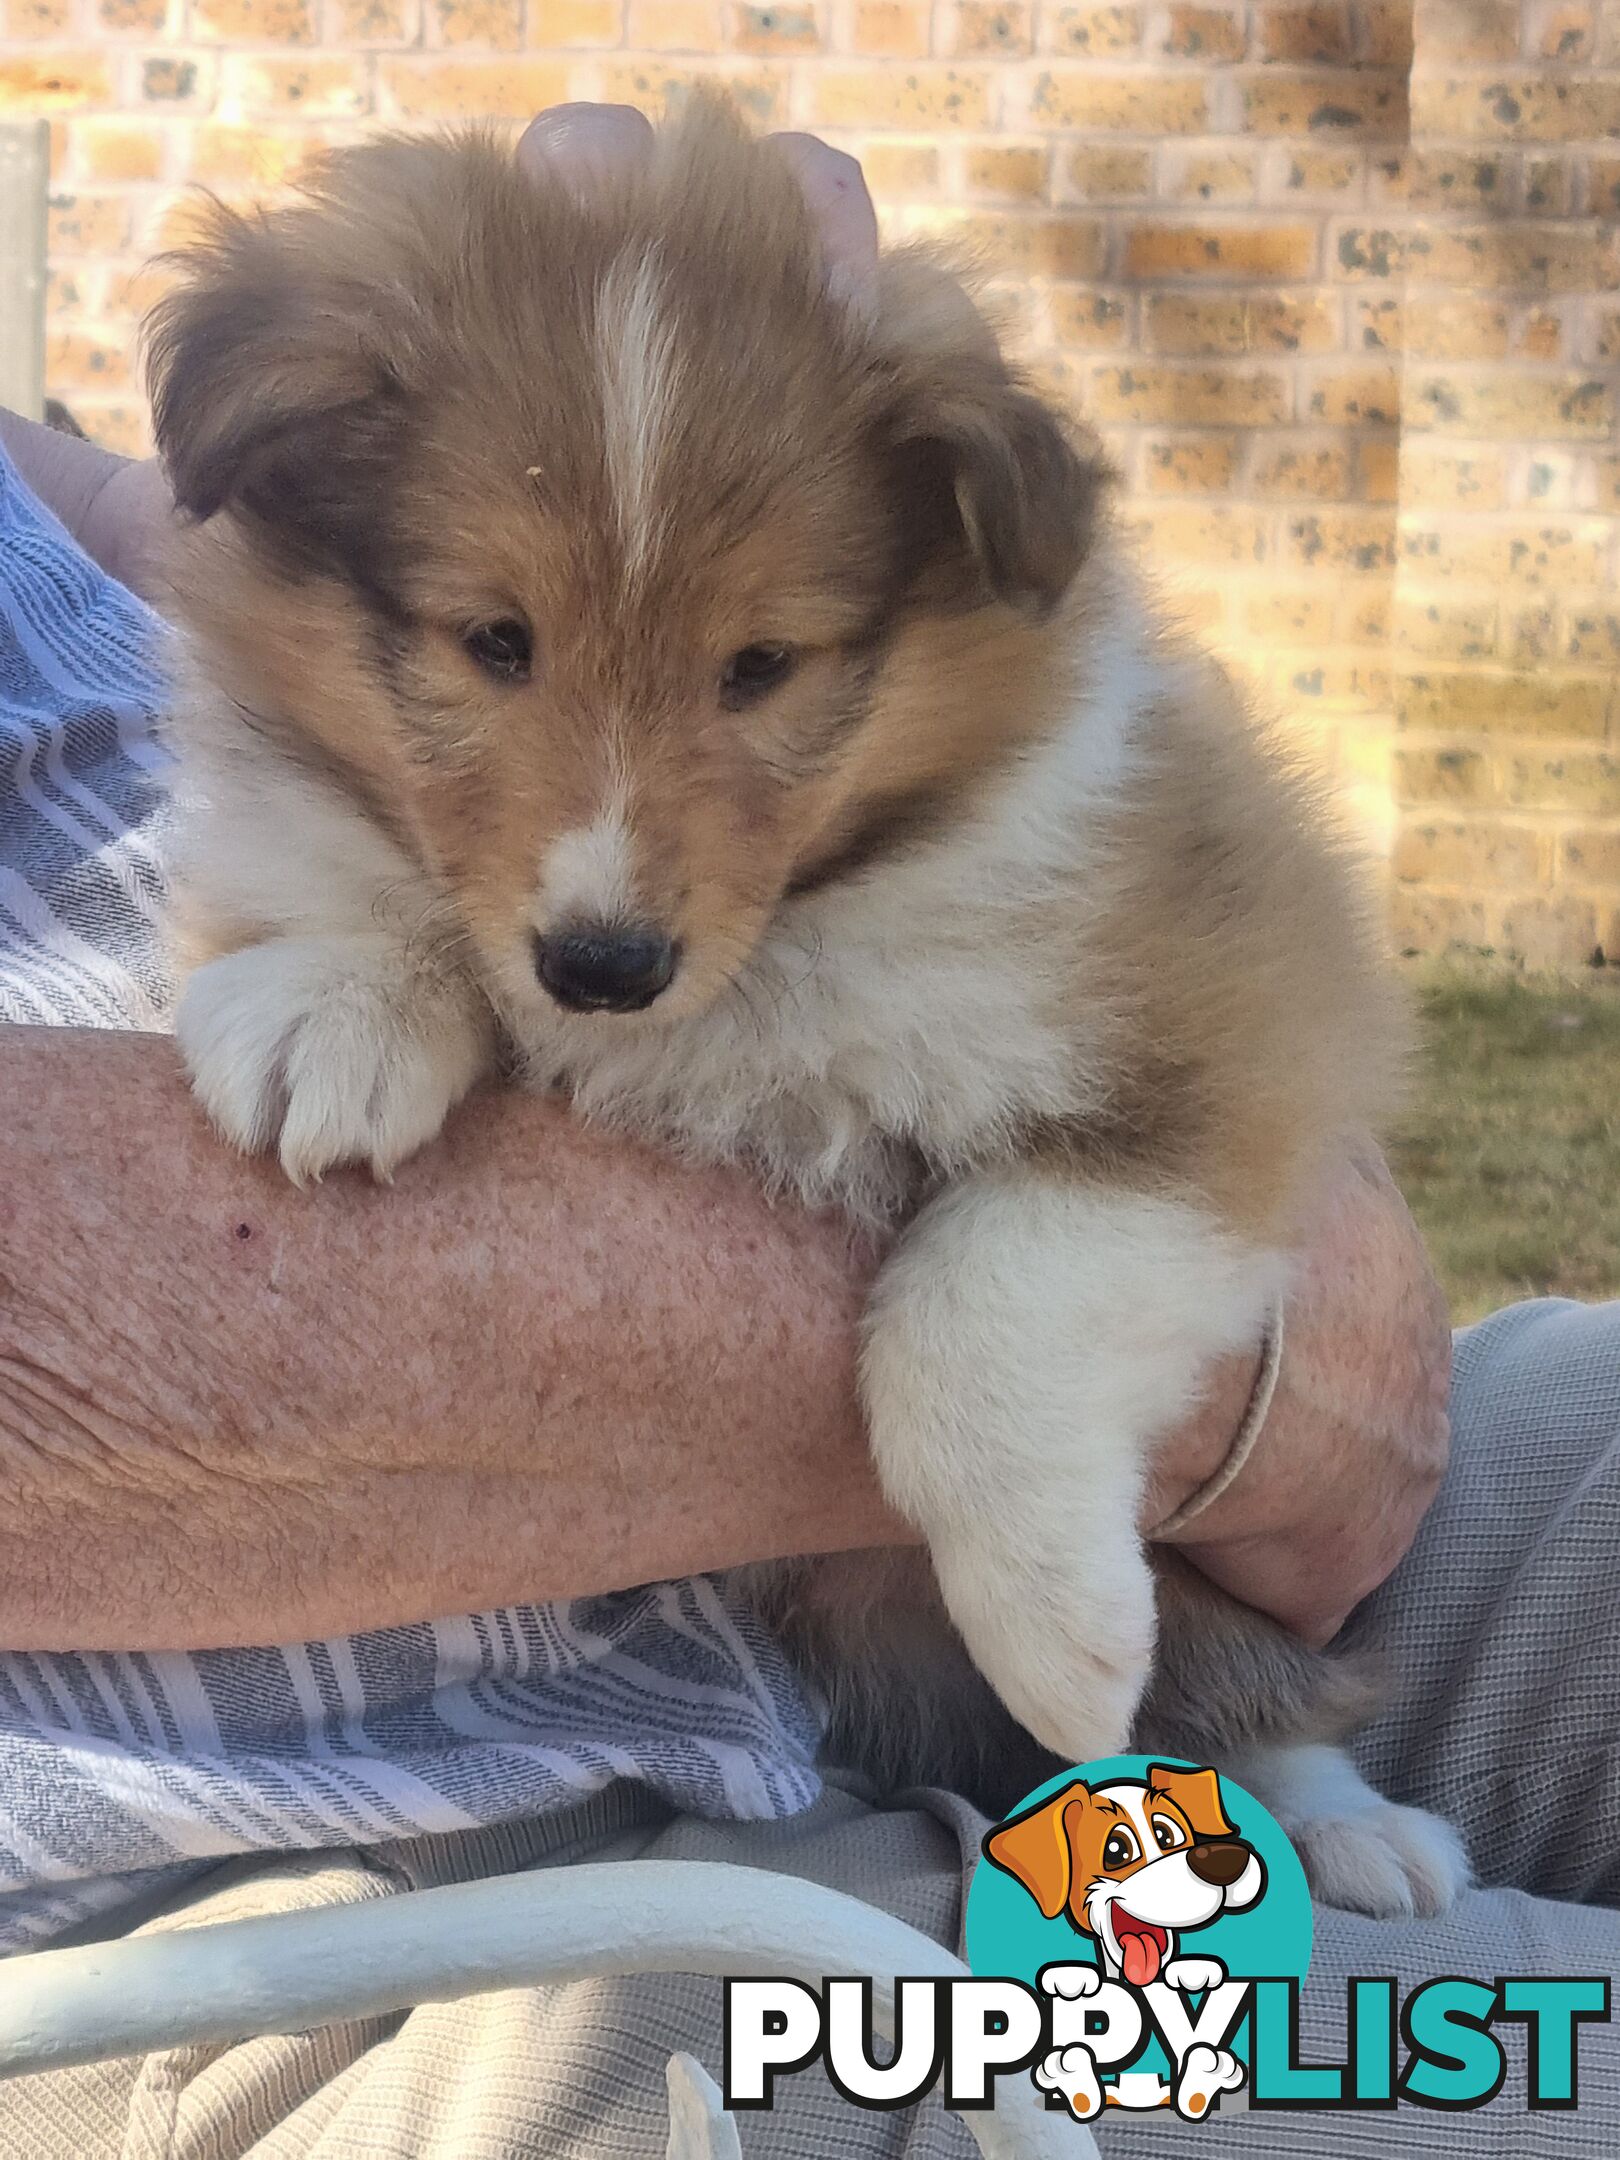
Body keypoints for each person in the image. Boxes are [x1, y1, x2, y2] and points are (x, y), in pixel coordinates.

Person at [0, 105, 1613, 2158]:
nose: (609, 862)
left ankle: (1254, 1764)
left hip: (1078, 1593)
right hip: (439, 1895)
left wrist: (1211, 1346)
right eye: (495, 649)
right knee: (1548, 2080)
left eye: (761, 670)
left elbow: (201, 532)